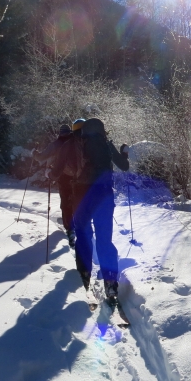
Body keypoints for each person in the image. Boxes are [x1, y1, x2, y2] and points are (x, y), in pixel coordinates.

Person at [72, 117, 129, 301]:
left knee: (83, 235)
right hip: (104, 195)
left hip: (82, 196)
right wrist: (124, 154)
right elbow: (124, 166)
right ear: (102, 130)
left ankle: (84, 276)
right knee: (104, 239)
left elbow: (70, 169)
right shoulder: (106, 144)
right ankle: (111, 284)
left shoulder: (79, 144)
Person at [34, 123, 77, 248]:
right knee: (76, 200)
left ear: (60, 133)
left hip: (63, 177)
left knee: (66, 201)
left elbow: (41, 157)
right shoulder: (77, 143)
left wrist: (35, 154)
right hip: (78, 177)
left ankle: (70, 228)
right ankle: (77, 224)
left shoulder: (57, 144)